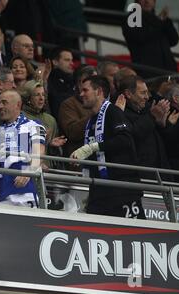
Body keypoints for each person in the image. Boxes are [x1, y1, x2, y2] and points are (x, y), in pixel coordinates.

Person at [70, 75, 145, 219]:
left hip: (123, 191)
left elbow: (125, 141)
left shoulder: (113, 112)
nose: (81, 94)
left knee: (134, 237)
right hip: (99, 193)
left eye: (85, 90)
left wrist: (92, 148)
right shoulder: (91, 120)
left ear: (98, 92)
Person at [120, 75, 171, 178]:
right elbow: (131, 135)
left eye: (147, 92)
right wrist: (152, 116)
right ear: (128, 94)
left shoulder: (149, 109)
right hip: (140, 176)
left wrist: (163, 125)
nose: (147, 97)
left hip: (161, 173)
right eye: (143, 93)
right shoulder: (119, 112)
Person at [122, 0, 179, 78]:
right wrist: (159, 21)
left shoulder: (158, 19)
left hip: (168, 71)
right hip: (147, 73)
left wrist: (166, 21)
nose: (147, 1)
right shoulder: (131, 19)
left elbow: (174, 40)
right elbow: (140, 37)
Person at [20, 80, 66, 169]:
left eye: (43, 95)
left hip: (47, 169)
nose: (41, 98)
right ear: (28, 98)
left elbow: (53, 154)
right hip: (26, 168)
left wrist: (51, 145)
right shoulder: (20, 117)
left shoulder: (50, 120)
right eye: (37, 95)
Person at [59, 65, 97, 159]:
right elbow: (72, 132)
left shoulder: (104, 103)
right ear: (79, 85)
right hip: (79, 162)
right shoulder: (68, 105)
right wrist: (94, 114)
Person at [47, 47, 75, 120]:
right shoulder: (48, 80)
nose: (72, 63)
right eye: (67, 60)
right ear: (55, 62)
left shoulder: (74, 81)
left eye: (72, 60)